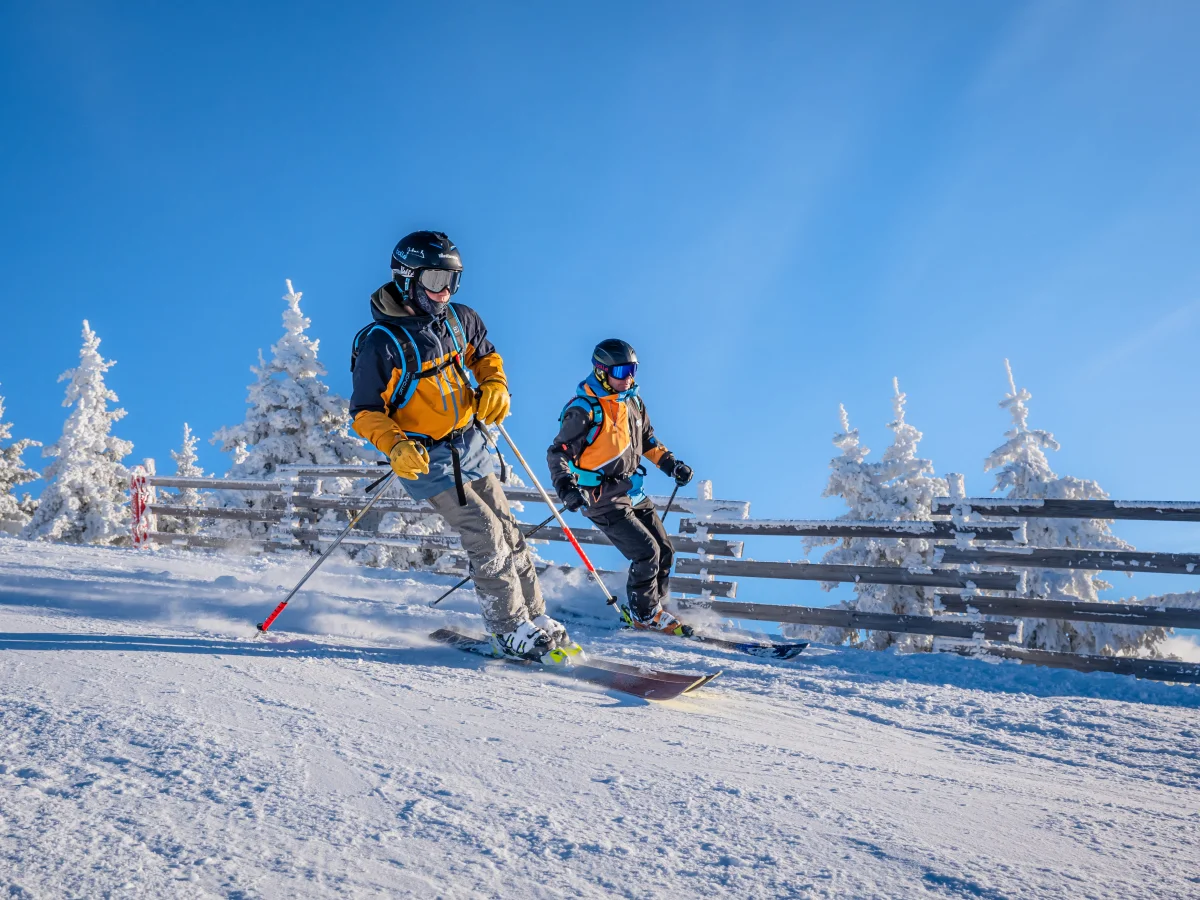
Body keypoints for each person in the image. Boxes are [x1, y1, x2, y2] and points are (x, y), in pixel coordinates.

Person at [350, 230, 573, 661]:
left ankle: (536, 619)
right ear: (406, 278)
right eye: (434, 279)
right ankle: (509, 629)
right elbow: (364, 411)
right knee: (485, 533)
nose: (444, 291)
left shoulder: (460, 318)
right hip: (423, 457)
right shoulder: (381, 344)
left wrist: (495, 383)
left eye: (453, 280)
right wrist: (393, 444)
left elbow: (485, 356)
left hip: (469, 443)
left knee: (509, 531)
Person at [546, 339, 694, 635]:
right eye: (622, 370)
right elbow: (558, 452)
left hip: (632, 491)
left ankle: (655, 607)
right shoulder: (585, 409)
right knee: (646, 552)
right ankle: (644, 614)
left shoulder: (633, 402)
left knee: (664, 550)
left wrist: (671, 464)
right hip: (602, 497)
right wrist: (567, 488)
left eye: (633, 370)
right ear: (602, 372)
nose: (629, 377)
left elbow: (648, 441)